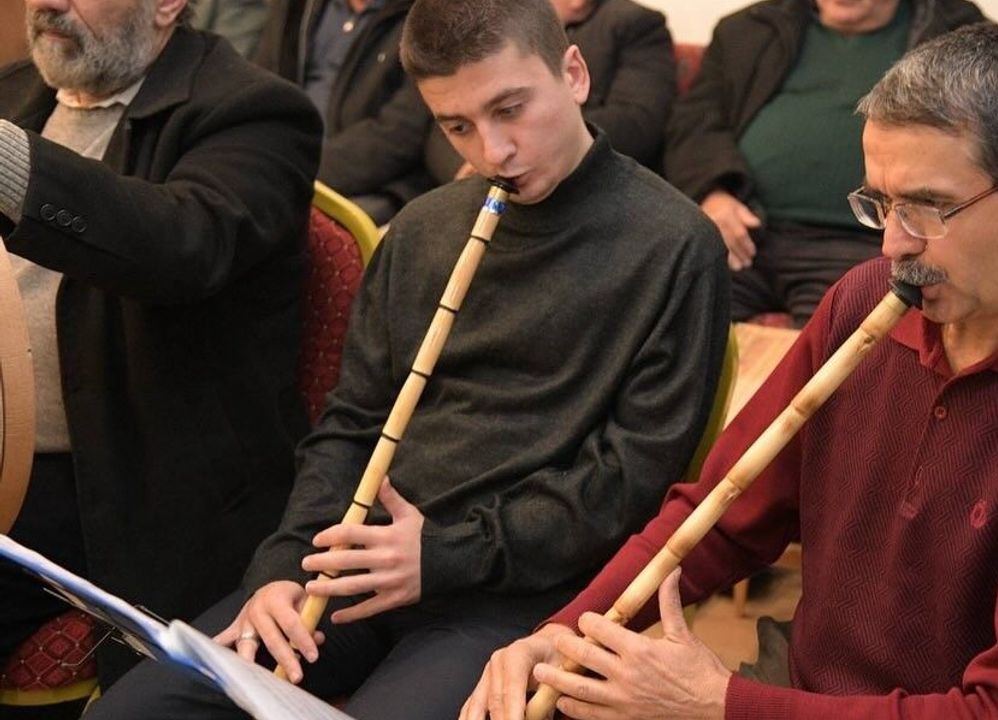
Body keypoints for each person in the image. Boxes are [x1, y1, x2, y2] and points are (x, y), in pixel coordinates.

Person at [467, 23, 998, 720]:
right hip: (806, 689)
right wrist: (563, 632)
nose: (893, 246)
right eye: (881, 204)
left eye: (929, 207)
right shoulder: (864, 303)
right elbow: (716, 519)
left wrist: (723, 705)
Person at [86, 0, 728, 717]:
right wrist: (284, 564)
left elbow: (628, 484)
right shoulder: (423, 229)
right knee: (132, 711)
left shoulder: (676, 245)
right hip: (364, 567)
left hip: (519, 598)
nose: (493, 152)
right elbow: (350, 423)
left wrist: (445, 553)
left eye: (510, 109)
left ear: (573, 74)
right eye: (458, 127)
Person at [0, 0, 320, 686]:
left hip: (120, 482)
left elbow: (180, 246)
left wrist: (9, 166)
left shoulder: (254, 112)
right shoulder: (14, 91)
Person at [665, 0, 983, 327]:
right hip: (747, 230)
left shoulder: (957, 35)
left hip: (859, 244)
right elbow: (694, 125)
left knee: (840, 343)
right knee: (673, 316)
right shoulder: (749, 29)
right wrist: (713, 194)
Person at [424, 0, 676, 183]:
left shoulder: (632, 23)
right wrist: (469, 168)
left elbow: (637, 121)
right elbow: (444, 123)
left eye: (510, 108)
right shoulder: (492, 24)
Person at [254, 0, 430, 223]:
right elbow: (262, 91)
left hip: (373, 184)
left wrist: (294, 170)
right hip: (282, 164)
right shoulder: (297, 7)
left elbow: (402, 132)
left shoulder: (427, 17)